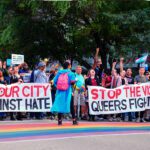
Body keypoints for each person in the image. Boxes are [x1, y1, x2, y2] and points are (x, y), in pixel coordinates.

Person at [51, 61, 77, 125]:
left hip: (60, 91)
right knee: (71, 105)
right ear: (69, 66)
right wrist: (75, 81)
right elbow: (72, 83)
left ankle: (59, 120)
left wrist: (58, 86)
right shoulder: (71, 73)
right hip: (68, 91)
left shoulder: (59, 73)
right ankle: (74, 120)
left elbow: (54, 81)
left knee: (60, 105)